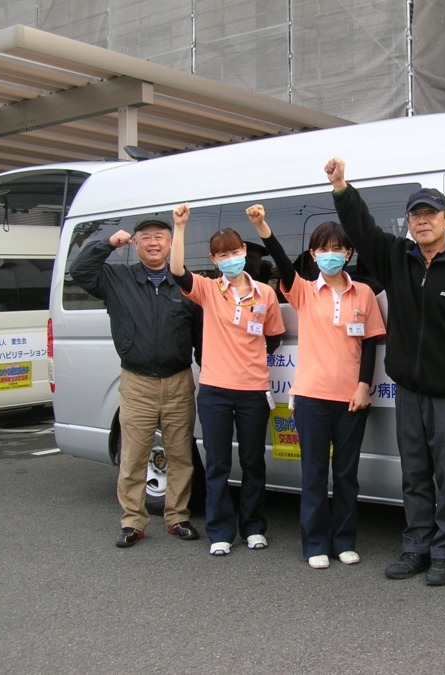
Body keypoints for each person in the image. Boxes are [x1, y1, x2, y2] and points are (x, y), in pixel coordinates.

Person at [324, 158, 445, 586]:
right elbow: (363, 228)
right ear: (408, 223)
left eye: (431, 215)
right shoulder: (396, 258)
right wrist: (340, 187)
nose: (423, 222)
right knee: (415, 472)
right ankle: (415, 547)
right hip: (409, 389)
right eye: (416, 216)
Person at [246, 205, 387, 569]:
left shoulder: (365, 295)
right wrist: (263, 226)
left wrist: (363, 386)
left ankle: (344, 541)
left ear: (349, 253)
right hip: (310, 397)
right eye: (323, 249)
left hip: (351, 399)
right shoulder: (304, 291)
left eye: (338, 249)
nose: (331, 255)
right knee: (313, 476)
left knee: (346, 476)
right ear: (313, 254)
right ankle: (314, 544)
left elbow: (370, 343)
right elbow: (280, 259)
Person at [70, 216, 202, 548]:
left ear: (171, 243)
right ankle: (132, 521)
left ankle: (177, 516)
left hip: (178, 382)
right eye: (146, 237)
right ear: (136, 243)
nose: (154, 243)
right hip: (137, 382)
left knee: (180, 455)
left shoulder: (187, 286)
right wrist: (106, 244)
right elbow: (80, 271)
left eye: (160, 237)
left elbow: (201, 338)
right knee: (133, 456)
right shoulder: (118, 279)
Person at [169, 203, 285, 557]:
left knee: (253, 462)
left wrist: (248, 357)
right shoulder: (206, 289)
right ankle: (220, 531)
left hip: (253, 390)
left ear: (244, 252)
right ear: (214, 260)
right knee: (217, 463)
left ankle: (253, 527)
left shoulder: (264, 293)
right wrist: (180, 227)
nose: (230, 258)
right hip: (215, 390)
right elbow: (177, 271)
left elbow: (273, 336)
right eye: (222, 255)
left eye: (235, 251)